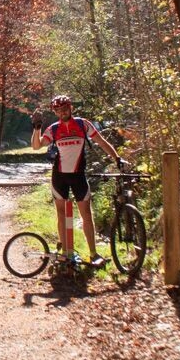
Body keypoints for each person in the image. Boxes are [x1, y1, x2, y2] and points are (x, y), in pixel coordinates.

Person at [30, 95, 125, 266]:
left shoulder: (82, 124)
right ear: (55, 112)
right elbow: (37, 146)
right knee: (61, 215)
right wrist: (37, 128)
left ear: (71, 107)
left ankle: (94, 253)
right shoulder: (53, 129)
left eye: (65, 108)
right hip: (59, 176)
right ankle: (67, 253)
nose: (62, 112)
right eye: (58, 110)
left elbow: (101, 142)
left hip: (78, 176)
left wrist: (117, 158)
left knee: (86, 214)